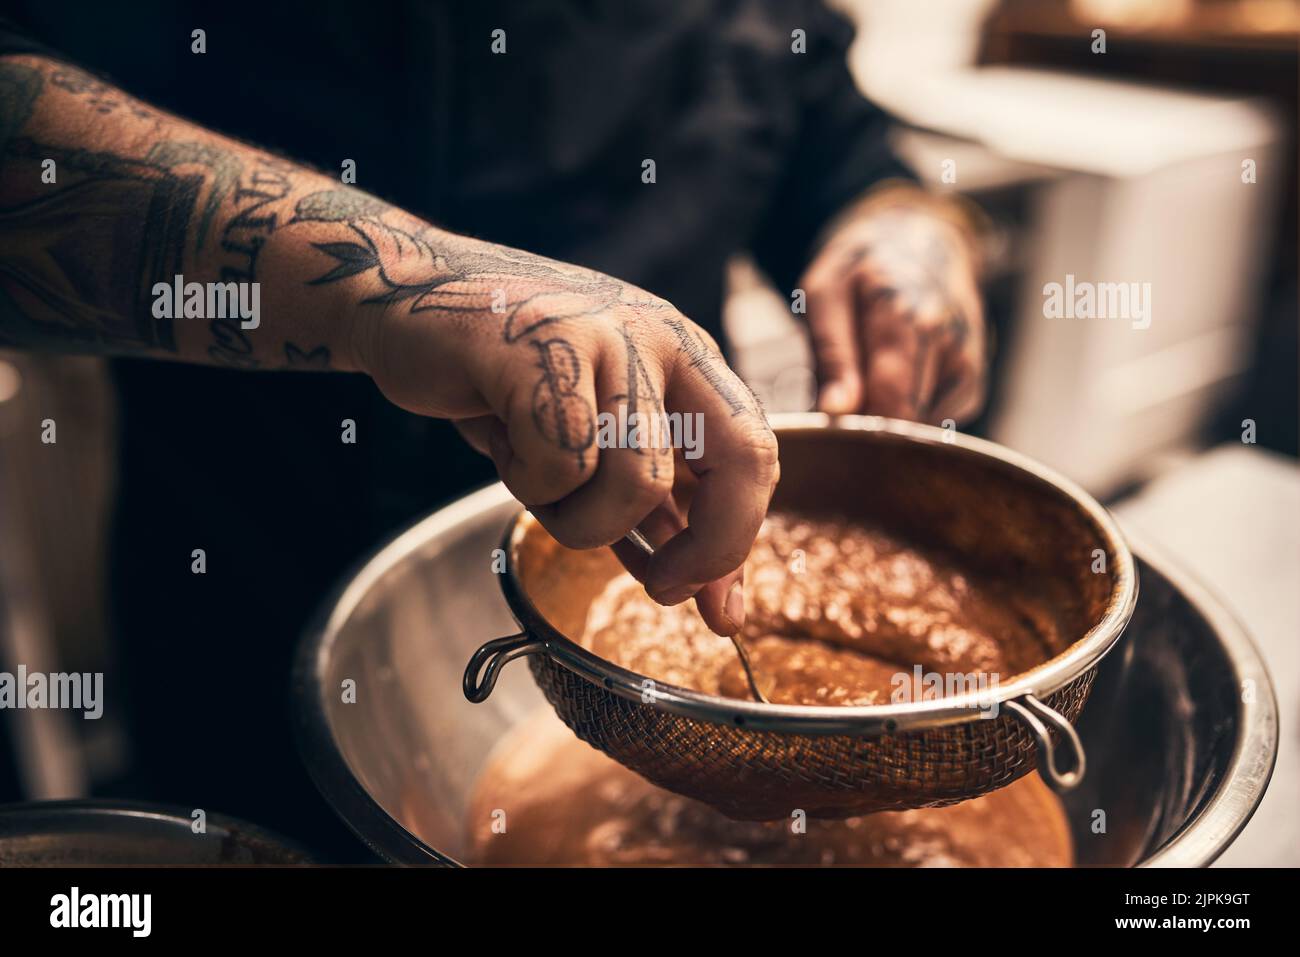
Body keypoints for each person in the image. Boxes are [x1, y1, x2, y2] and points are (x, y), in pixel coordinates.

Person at [0, 1, 985, 858]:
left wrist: (903, 222)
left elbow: (837, 136)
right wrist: (391, 283)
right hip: (249, 617)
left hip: (660, 582)